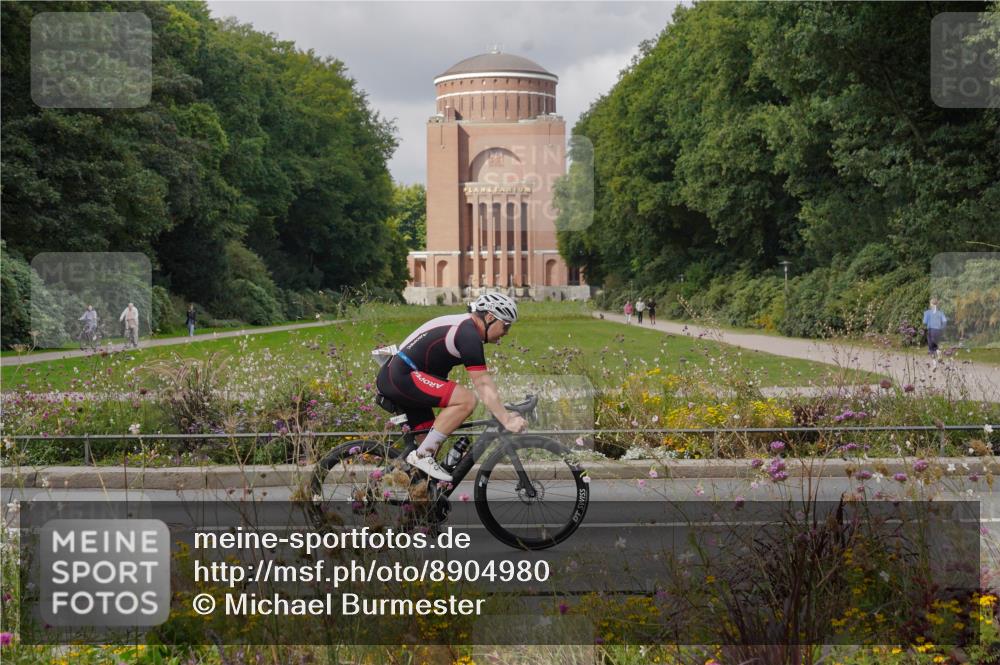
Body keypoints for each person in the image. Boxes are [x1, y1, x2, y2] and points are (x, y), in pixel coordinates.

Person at [375, 293, 526, 482]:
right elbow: (482, 383)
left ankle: (408, 493)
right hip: (401, 377)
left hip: (402, 376)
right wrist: (506, 419)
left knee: (427, 454)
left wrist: (502, 412)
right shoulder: (468, 333)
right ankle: (422, 456)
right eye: (506, 325)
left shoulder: (466, 328)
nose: (506, 332)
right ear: (490, 317)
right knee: (466, 400)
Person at [922, 298, 947, 362]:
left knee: (931, 347)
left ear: (931, 304)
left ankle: (934, 363)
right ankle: (938, 352)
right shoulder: (941, 313)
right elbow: (945, 321)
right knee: (936, 344)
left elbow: (924, 322)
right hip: (938, 331)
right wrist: (942, 328)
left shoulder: (927, 312)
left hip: (930, 330)